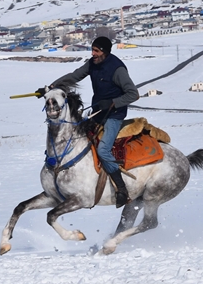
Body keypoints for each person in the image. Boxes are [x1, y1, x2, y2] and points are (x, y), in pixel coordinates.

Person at [36, 36, 140, 207]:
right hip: (98, 112)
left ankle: (122, 190)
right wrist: (51, 88)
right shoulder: (92, 63)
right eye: (92, 50)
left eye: (97, 51)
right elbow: (74, 76)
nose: (93, 54)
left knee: (103, 149)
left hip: (114, 116)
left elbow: (133, 94)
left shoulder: (117, 69)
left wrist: (114, 102)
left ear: (105, 52)